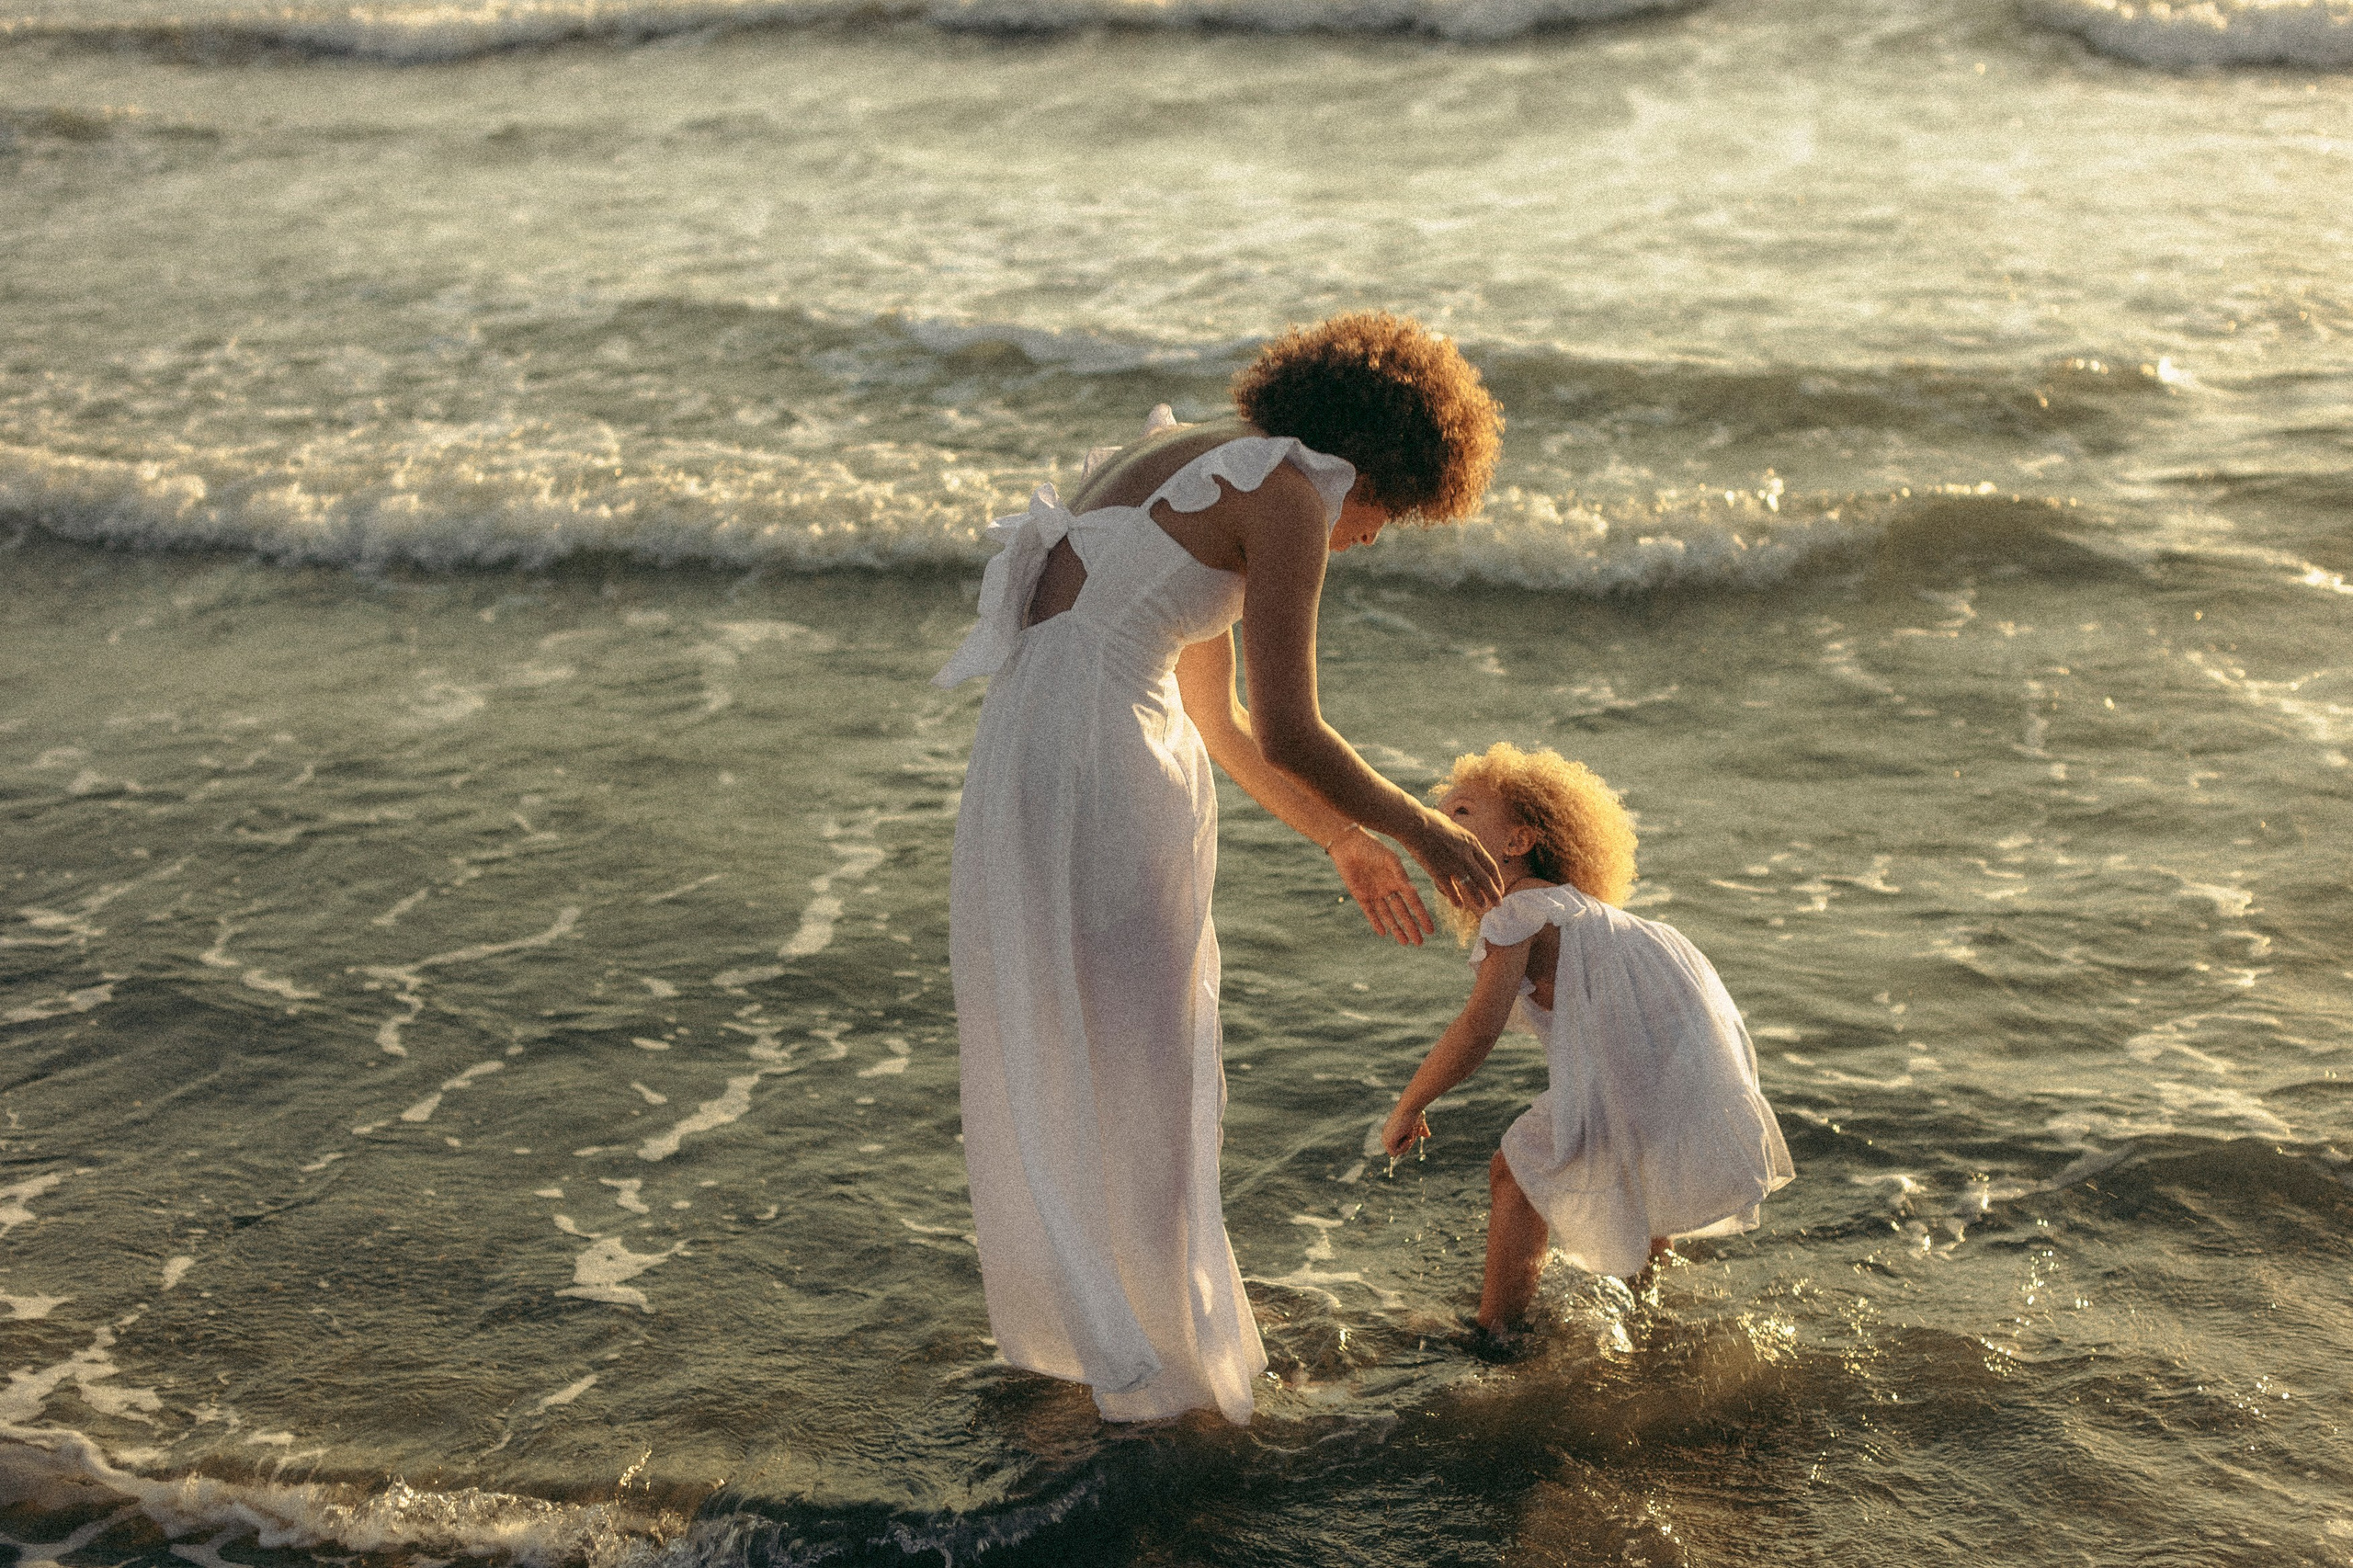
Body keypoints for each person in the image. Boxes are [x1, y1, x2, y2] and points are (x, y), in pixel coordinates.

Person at [935, 312, 1507, 1424]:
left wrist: (1344, 838)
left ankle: (1109, 1340)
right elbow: (1295, 727)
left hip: (1026, 760)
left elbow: (1222, 719)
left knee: (1087, 1056)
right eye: (1394, 512)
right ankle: (1170, 1378)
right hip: (1103, 769)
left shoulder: (1179, 458)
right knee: (1151, 1063)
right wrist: (1426, 832)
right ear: (1383, 463)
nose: (1377, 536)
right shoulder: (1287, 491)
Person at [1379, 743, 1792, 1343]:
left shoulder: (1518, 910)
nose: (1440, 823)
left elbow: (1478, 1027)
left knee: (1513, 1173)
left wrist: (1411, 1103)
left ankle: (1496, 1333)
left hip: (1653, 1048)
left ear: (1519, 841)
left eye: (1461, 812)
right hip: (1686, 1051)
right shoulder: (1576, 911)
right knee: (1640, 1172)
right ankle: (1647, 1313)